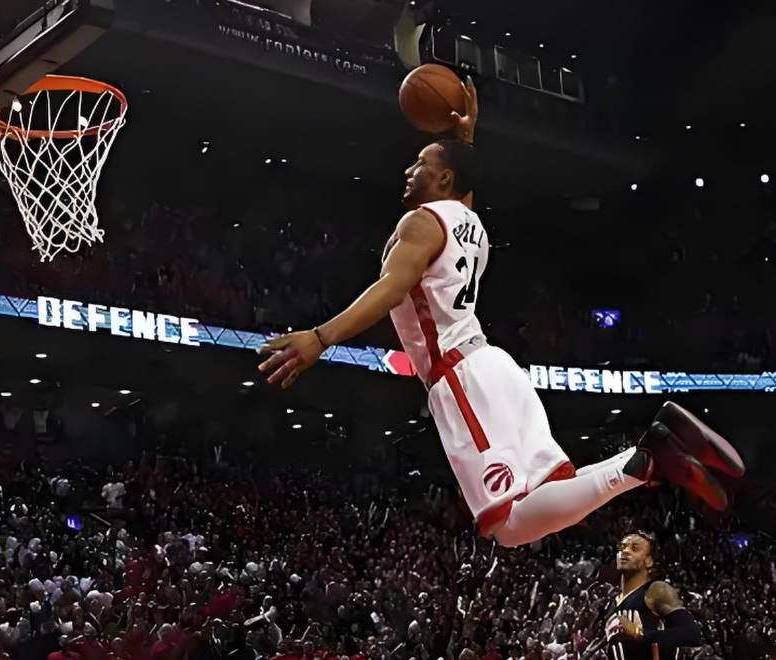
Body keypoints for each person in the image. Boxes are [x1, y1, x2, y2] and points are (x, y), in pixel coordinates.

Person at [258, 76, 746, 547]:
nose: (409, 169)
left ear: (444, 178)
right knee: (554, 491)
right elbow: (463, 188)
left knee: (507, 526)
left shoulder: (420, 223)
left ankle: (646, 463)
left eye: (421, 163)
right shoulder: (469, 221)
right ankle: (650, 448)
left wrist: (320, 337)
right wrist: (464, 138)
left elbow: (391, 289)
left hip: (458, 376)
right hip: (494, 367)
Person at [602, 531, 701, 659]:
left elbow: (692, 634)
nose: (625, 551)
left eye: (634, 548)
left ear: (649, 560)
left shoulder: (656, 590)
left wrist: (640, 633)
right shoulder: (611, 602)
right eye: (622, 547)